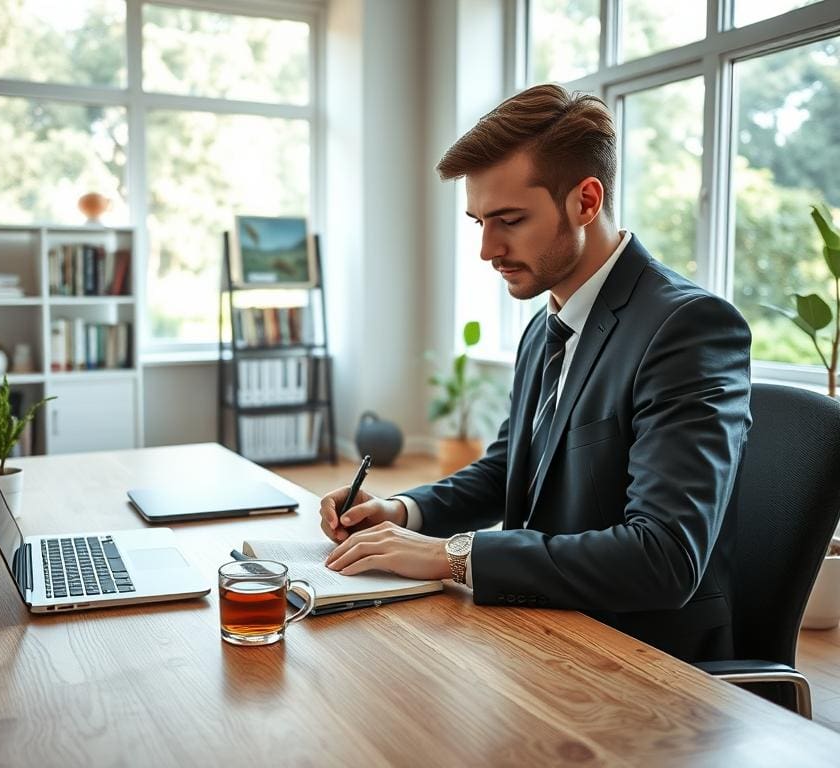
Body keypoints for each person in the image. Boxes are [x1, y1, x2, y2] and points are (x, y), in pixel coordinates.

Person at [318, 83, 752, 663]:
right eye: (479, 222)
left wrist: (451, 556)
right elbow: (510, 470)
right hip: (542, 632)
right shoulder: (544, 327)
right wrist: (402, 513)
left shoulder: (687, 327)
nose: (487, 249)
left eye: (510, 220)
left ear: (586, 202)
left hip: (642, 658)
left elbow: (664, 556)